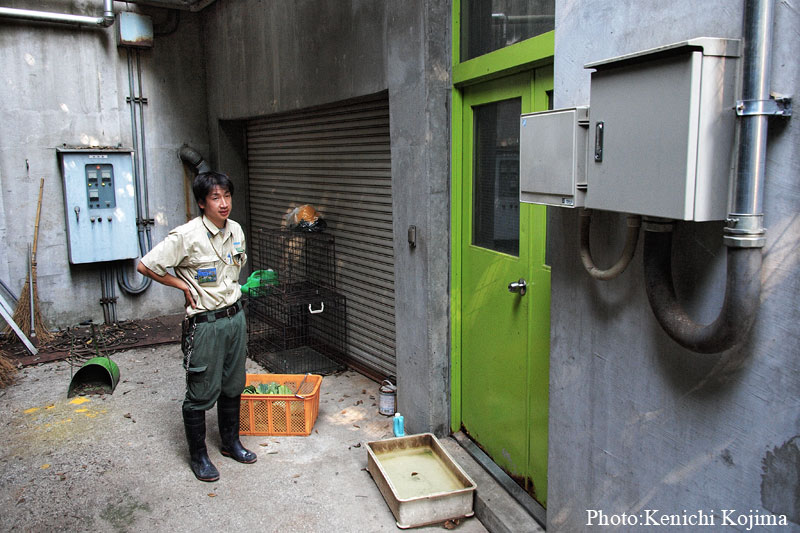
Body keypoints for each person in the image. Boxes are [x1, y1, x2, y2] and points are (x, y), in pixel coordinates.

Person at [136, 171, 256, 482]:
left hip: (235, 318)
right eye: (215, 198)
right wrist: (180, 284)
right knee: (201, 392)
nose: (224, 203)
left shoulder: (237, 230)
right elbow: (145, 265)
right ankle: (199, 455)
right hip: (205, 324)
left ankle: (230, 442)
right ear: (202, 203)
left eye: (227, 196)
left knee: (233, 384)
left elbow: (233, 271)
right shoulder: (186, 236)